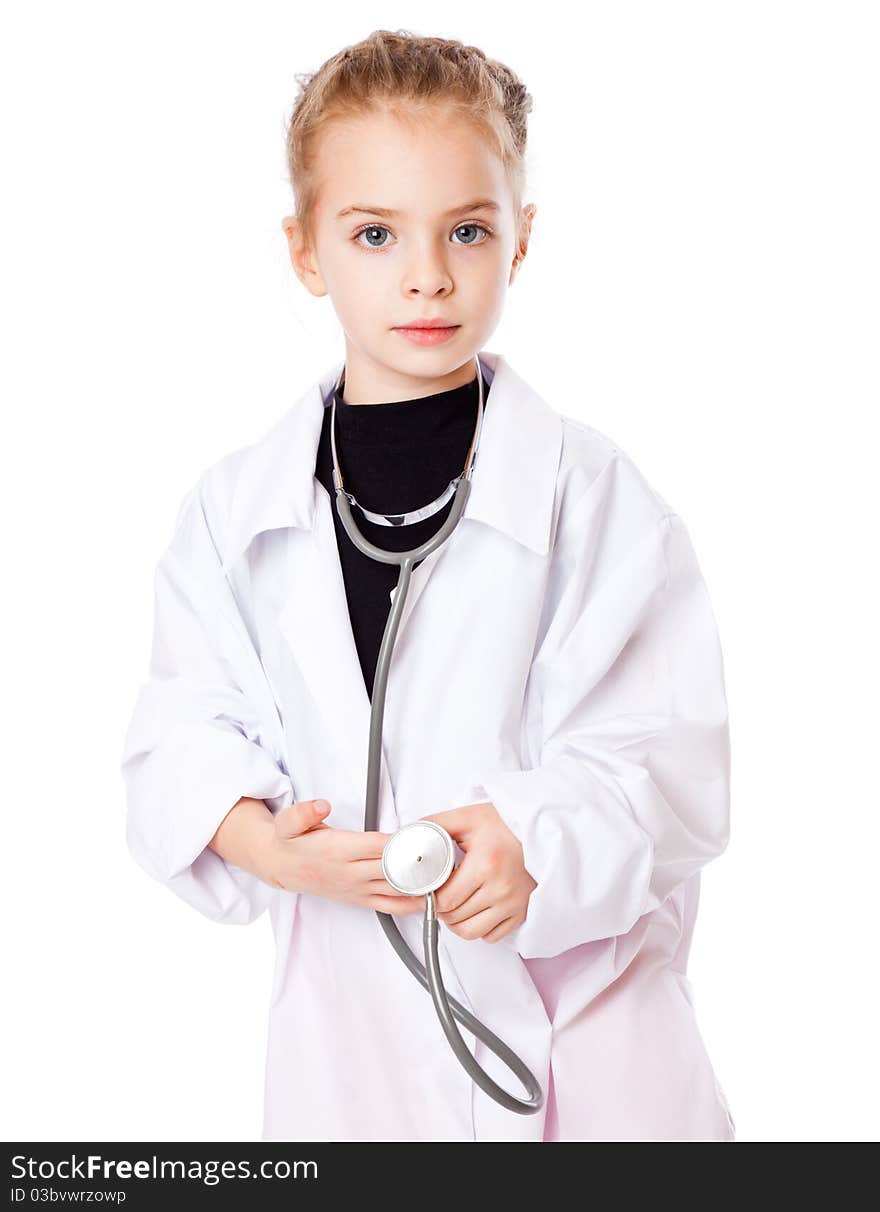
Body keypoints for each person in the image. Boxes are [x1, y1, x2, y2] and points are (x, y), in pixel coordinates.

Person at [120, 29, 736, 1143]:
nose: (427, 275)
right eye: (372, 233)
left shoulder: (594, 501)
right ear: (305, 251)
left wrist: (531, 842)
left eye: (467, 229)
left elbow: (672, 762)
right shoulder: (233, 515)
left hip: (597, 1061)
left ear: (521, 239)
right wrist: (257, 838)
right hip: (353, 1072)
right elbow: (178, 729)